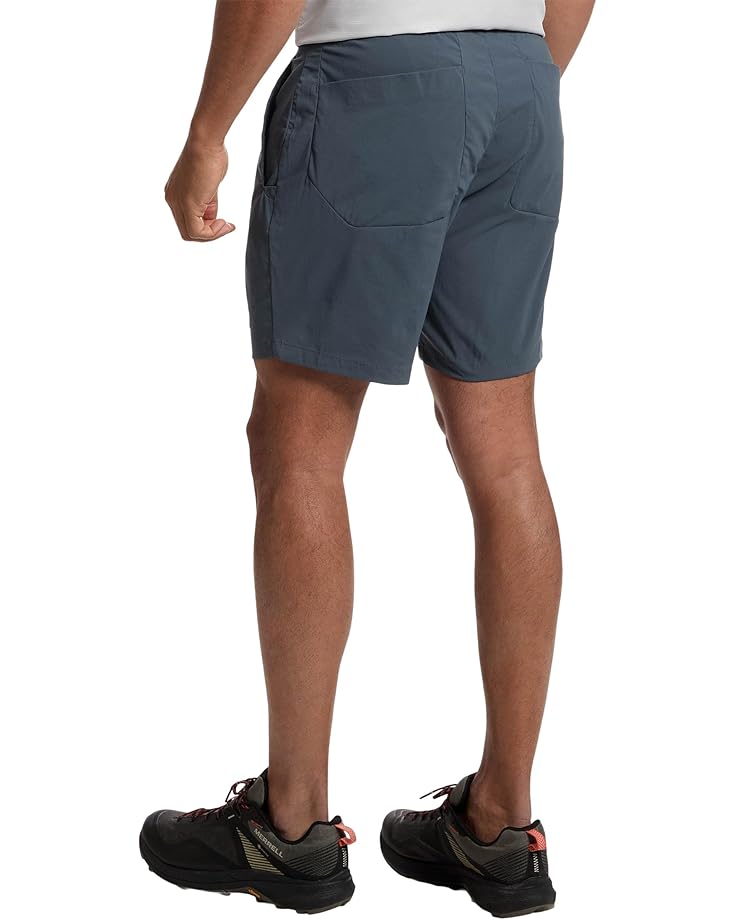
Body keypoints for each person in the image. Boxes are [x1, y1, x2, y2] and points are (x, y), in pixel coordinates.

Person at [140, 1, 595, 915]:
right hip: (521, 88)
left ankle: (292, 825)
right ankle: (500, 827)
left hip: (376, 83)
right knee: (506, 457)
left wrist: (206, 132)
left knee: (300, 448)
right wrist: (507, 79)